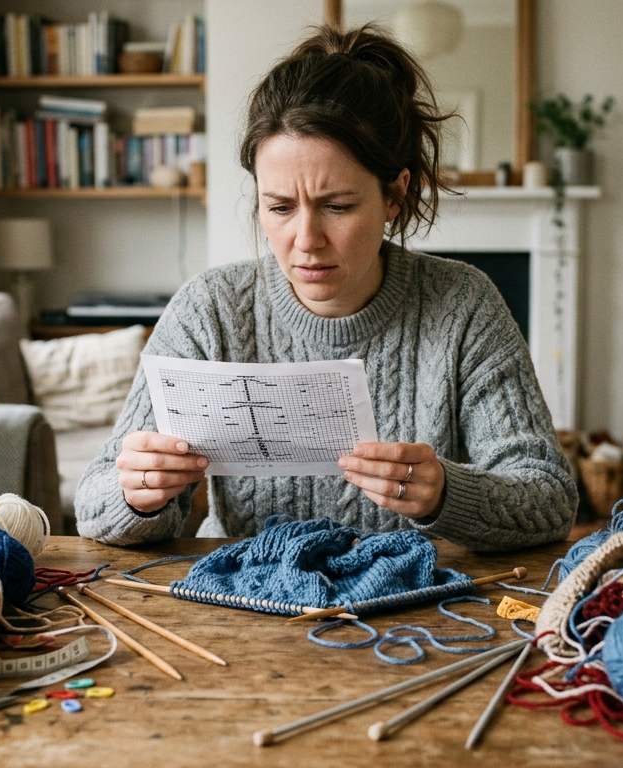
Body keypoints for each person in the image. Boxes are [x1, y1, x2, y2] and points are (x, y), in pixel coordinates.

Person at [74, 24, 577, 552]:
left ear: (395, 196)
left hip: (407, 605)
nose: (306, 240)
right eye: (280, 207)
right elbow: (94, 505)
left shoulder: (463, 306)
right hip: (241, 599)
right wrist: (139, 494)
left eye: (337, 206)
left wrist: (445, 494)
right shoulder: (209, 311)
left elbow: (549, 499)